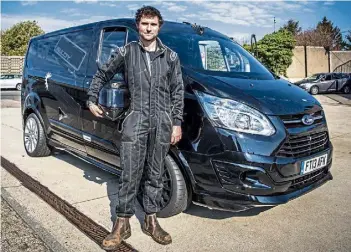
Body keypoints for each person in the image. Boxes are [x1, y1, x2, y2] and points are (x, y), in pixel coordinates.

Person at [86, 6, 184, 250]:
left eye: (153, 24)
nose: (148, 28)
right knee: (129, 172)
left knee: (155, 172)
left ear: (159, 27)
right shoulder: (126, 52)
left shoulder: (170, 57)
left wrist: (176, 123)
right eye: (144, 24)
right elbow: (102, 73)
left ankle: (151, 221)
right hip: (136, 118)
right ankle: (122, 222)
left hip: (162, 120)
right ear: (137, 26)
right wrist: (91, 98)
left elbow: (178, 92)